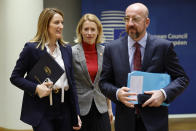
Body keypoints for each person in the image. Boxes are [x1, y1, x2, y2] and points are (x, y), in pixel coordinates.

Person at [99, 3, 189, 131]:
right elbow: (103, 83)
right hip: (125, 122)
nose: (130, 23)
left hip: (155, 122)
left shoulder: (163, 47)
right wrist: (118, 93)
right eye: (126, 19)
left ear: (147, 22)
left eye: (135, 19)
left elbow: (182, 78)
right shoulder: (111, 48)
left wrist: (163, 94)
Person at [10, 8, 81, 131]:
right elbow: (15, 77)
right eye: (56, 22)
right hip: (41, 108)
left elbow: (72, 83)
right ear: (45, 24)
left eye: (62, 22)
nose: (61, 26)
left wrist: (76, 113)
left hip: (65, 108)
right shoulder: (31, 49)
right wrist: (36, 88)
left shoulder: (66, 49)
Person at [72, 13, 113, 131]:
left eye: (92, 29)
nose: (89, 33)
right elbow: (70, 84)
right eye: (86, 29)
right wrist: (73, 111)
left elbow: (106, 81)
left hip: (101, 108)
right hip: (80, 110)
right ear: (80, 31)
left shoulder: (105, 52)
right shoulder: (72, 52)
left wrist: (109, 108)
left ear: (98, 31)